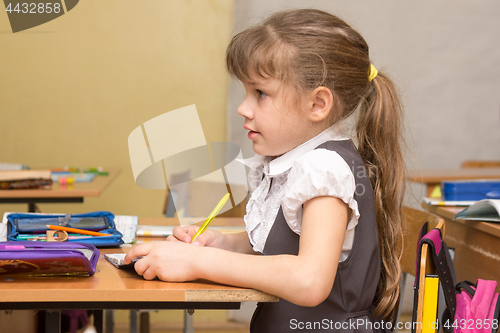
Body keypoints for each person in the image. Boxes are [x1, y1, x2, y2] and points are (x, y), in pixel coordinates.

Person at [125, 8, 406, 332]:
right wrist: (225, 244)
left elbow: (309, 279)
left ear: (317, 104)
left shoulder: (323, 169)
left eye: (260, 93)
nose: (244, 108)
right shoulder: (297, 162)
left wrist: (198, 261)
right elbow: (288, 241)